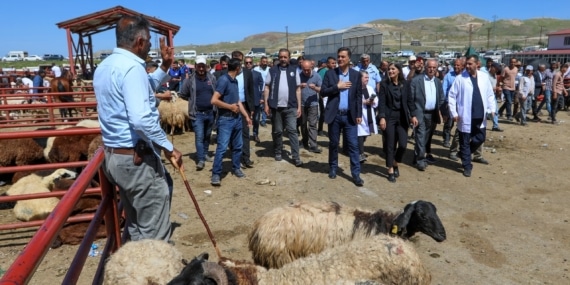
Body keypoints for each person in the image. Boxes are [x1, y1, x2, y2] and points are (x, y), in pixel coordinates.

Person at [94, 15, 183, 242]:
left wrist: (165, 66)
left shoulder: (105, 66)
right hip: (136, 158)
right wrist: (168, 147)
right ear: (140, 42)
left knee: (136, 221)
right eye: (150, 40)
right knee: (154, 232)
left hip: (115, 156)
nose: (151, 45)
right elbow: (141, 120)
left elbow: (144, 88)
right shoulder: (132, 68)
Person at [321, 47, 364, 186]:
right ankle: (333, 168)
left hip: (350, 116)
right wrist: (337, 87)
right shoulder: (330, 74)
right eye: (338, 56)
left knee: (353, 145)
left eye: (343, 57)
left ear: (349, 59)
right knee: (333, 144)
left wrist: (358, 114)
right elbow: (323, 92)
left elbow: (358, 96)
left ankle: (356, 174)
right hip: (335, 115)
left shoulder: (356, 75)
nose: (339, 59)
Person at [448, 55, 496, 177]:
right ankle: (467, 166)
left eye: (470, 64)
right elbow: (451, 96)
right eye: (467, 64)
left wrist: (492, 109)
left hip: (480, 115)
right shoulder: (460, 79)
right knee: (464, 141)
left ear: (477, 64)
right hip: (465, 116)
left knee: (480, 138)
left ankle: (465, 153)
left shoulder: (484, 77)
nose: (468, 66)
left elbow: (490, 94)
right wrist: (454, 113)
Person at [210, 58, 252, 185]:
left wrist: (246, 116)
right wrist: (230, 107)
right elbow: (214, 100)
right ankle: (216, 174)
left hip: (237, 118)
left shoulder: (234, 81)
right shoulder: (223, 80)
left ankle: (236, 168)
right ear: (238, 68)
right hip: (226, 119)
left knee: (238, 146)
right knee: (222, 147)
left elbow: (237, 100)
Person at [263, 48, 303, 167]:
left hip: (291, 106)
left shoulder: (294, 70)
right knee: (278, 131)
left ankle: (296, 156)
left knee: (292, 131)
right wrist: (266, 104)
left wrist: (299, 106)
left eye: (285, 57)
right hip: (276, 107)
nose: (283, 59)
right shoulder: (273, 70)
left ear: (289, 58)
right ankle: (278, 151)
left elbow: (298, 89)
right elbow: (267, 88)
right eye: (281, 57)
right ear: (278, 58)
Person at [378, 63, 414, 183]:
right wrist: (382, 117)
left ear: (399, 71)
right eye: (389, 69)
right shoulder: (384, 84)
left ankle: (395, 162)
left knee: (403, 144)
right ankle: (390, 169)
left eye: (393, 69)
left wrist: (413, 115)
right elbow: (381, 103)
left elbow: (409, 101)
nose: (391, 71)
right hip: (389, 117)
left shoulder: (405, 84)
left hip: (402, 117)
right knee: (390, 144)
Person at [179, 56, 217, 170]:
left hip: (211, 112)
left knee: (207, 135)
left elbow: (216, 92)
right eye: (199, 66)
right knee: (199, 137)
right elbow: (183, 94)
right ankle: (200, 159)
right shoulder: (190, 80)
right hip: (197, 113)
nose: (201, 68)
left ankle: (205, 154)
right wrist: (192, 103)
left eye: (203, 66)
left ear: (206, 67)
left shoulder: (212, 78)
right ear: (195, 66)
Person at [410, 59, 446, 171]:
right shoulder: (416, 80)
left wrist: (442, 111)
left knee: (426, 137)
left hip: (432, 114)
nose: (432, 69)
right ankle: (421, 160)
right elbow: (410, 99)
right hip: (420, 113)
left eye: (434, 68)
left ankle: (417, 156)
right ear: (425, 68)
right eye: (430, 67)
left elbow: (441, 98)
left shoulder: (437, 82)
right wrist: (412, 115)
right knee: (420, 136)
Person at [299, 59, 322, 153]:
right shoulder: (299, 76)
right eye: (304, 69)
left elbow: (322, 89)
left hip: (313, 104)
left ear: (311, 67)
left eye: (308, 69)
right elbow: (293, 88)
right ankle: (304, 140)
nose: (306, 71)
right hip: (301, 104)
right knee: (303, 124)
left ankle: (313, 145)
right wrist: (299, 86)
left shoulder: (316, 76)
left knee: (312, 124)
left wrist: (315, 88)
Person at [442, 59, 464, 147]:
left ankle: (459, 142)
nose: (456, 67)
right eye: (455, 65)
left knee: (461, 123)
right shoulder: (448, 76)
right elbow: (444, 90)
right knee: (449, 123)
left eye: (458, 65)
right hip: (450, 103)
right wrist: (445, 103)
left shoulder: (465, 76)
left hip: (461, 104)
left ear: (462, 66)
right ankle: (446, 139)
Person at [356, 71, 378, 162]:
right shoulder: (355, 88)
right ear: (360, 78)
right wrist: (364, 102)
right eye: (365, 77)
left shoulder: (369, 88)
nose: (367, 79)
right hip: (360, 114)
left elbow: (376, 99)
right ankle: (360, 153)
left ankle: (359, 150)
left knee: (365, 133)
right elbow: (353, 100)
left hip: (369, 112)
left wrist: (373, 101)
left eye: (368, 78)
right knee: (360, 134)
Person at [245, 56, 264, 144]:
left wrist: (261, 98)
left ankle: (255, 134)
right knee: (246, 119)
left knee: (256, 119)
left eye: (250, 63)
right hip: (245, 100)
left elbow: (262, 86)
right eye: (246, 63)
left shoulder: (257, 74)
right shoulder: (241, 74)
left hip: (256, 99)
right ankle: (246, 135)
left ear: (252, 64)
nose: (248, 64)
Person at [317, 57, 336, 136]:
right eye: (332, 63)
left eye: (335, 63)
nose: (334, 65)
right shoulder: (324, 71)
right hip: (324, 95)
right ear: (327, 64)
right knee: (323, 113)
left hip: (332, 94)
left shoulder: (334, 71)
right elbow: (320, 84)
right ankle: (320, 129)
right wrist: (322, 94)